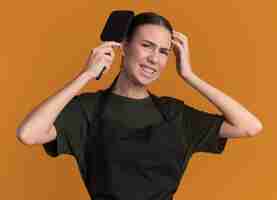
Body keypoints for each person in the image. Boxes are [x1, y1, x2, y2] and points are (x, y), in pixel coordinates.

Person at [16, 12, 263, 200]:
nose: (154, 58)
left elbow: (249, 126)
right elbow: (29, 134)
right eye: (146, 46)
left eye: (164, 51)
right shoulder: (86, 110)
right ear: (123, 47)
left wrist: (189, 75)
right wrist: (85, 75)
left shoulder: (174, 114)